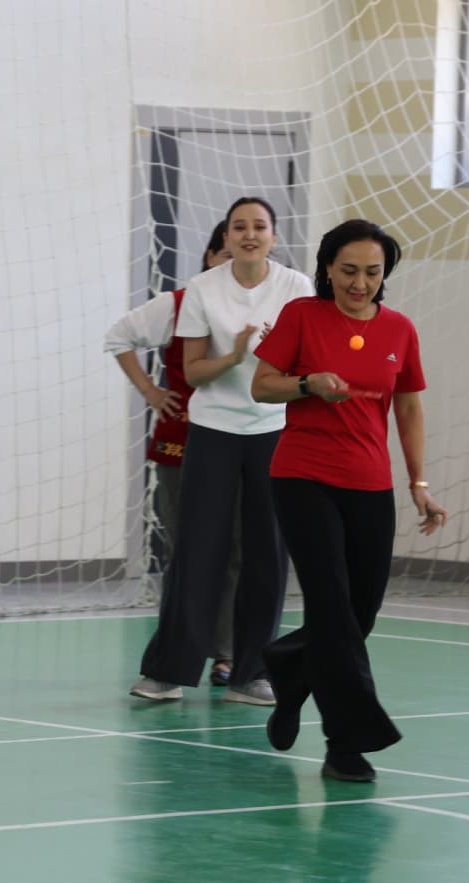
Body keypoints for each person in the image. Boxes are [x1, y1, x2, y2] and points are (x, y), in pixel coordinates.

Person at [251, 218, 449, 781]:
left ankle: (290, 670)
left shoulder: (400, 330)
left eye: (371, 272)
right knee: (333, 608)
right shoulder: (302, 317)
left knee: (359, 613)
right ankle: (347, 742)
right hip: (302, 477)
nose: (359, 283)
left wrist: (419, 485)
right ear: (328, 269)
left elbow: (408, 409)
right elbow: (262, 385)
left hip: (370, 484)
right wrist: (309, 383)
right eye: (348, 271)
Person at [129, 195, 313, 706]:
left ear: (274, 237)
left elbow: (305, 364)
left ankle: (252, 673)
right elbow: (193, 372)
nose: (249, 234)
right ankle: (168, 671)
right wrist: (233, 355)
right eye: (239, 227)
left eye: (259, 226)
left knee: (267, 555)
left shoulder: (297, 288)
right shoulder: (204, 290)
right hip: (212, 432)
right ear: (226, 238)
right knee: (197, 550)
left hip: (274, 433)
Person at [104, 220, 242, 686]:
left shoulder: (266, 306)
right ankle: (178, 655)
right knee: (188, 552)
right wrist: (150, 391)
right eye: (225, 255)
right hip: (181, 445)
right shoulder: (180, 304)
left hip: (242, 445)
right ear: (209, 259)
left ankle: (227, 654)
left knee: (237, 552)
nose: (232, 267)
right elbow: (119, 336)